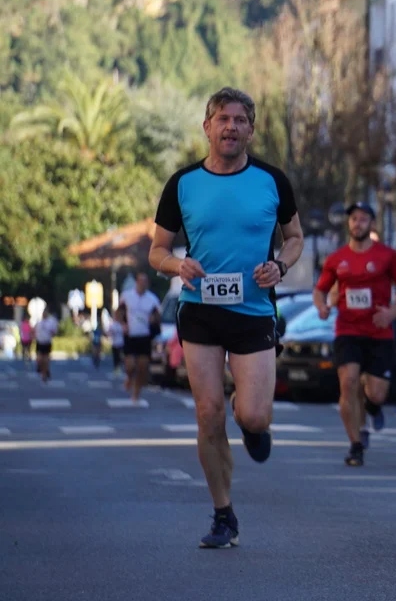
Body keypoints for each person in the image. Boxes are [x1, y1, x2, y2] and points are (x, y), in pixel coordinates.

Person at [149, 86, 303, 549]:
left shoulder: (272, 180)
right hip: (200, 311)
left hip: (254, 311)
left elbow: (295, 238)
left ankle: (251, 422)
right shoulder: (183, 184)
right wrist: (178, 265)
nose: (231, 127)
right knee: (208, 414)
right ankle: (223, 515)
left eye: (240, 120)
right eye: (223, 119)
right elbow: (157, 251)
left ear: (251, 130)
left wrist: (280, 266)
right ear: (207, 127)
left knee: (253, 415)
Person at [314, 201, 396, 467]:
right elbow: (320, 289)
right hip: (348, 329)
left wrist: (392, 312)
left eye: (363, 219)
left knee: (377, 393)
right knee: (349, 382)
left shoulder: (387, 256)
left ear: (371, 223)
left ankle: (373, 406)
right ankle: (355, 445)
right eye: (354, 219)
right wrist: (322, 306)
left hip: (379, 331)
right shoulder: (336, 259)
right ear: (349, 223)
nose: (357, 224)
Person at [120, 273, 162, 404]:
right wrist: (123, 324)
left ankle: (136, 394)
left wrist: (153, 319)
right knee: (130, 365)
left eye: (145, 282)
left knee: (142, 368)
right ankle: (128, 376)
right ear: (136, 282)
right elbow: (119, 312)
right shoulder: (127, 296)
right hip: (130, 335)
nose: (142, 284)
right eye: (140, 281)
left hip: (144, 336)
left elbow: (158, 316)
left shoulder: (152, 299)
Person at [34, 307, 59, 383]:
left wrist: (51, 334)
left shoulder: (51, 322)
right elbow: (34, 331)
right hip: (39, 342)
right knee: (39, 358)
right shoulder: (39, 322)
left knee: (46, 359)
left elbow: (54, 332)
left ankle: (45, 373)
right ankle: (40, 367)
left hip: (47, 342)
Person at [108, 305, 126, 377]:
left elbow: (125, 332)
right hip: (114, 343)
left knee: (121, 357)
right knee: (115, 357)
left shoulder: (122, 324)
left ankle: (120, 368)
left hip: (121, 344)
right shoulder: (113, 325)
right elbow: (109, 332)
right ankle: (116, 369)